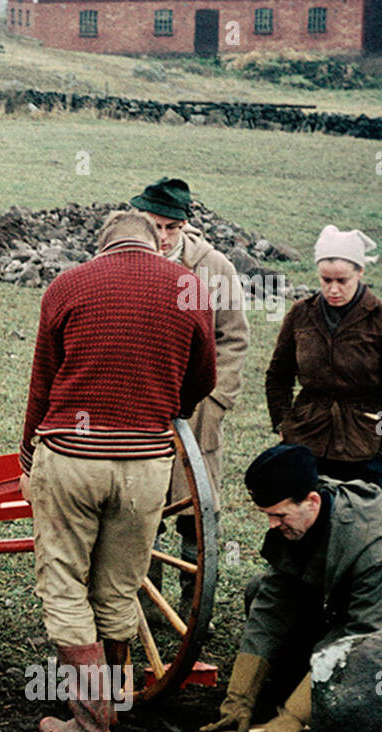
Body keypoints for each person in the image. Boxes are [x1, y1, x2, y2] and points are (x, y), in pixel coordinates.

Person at [20, 210, 216, 732]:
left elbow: (43, 383)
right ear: (158, 243)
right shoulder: (189, 287)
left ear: (102, 246)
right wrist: (159, 406)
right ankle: (115, 700)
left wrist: (25, 457)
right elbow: (204, 378)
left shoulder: (68, 285)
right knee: (119, 589)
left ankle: (91, 722)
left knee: (64, 586)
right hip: (147, 465)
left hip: (71, 458)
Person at [202, 444, 382, 732]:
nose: (272, 524)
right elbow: (271, 607)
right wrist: (238, 699)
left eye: (279, 514)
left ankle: (316, 701)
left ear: (311, 501)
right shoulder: (303, 520)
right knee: (258, 589)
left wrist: (294, 717)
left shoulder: (379, 548)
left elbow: (362, 637)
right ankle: (293, 689)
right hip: (348, 609)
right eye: (268, 515)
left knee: (367, 688)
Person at [130, 178, 249, 601]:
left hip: (195, 409)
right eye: (154, 226)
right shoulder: (127, 261)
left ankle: (195, 600)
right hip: (141, 406)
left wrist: (215, 399)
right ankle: (143, 600)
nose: (162, 238)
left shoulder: (214, 268)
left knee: (196, 508)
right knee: (140, 506)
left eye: (171, 229)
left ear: (183, 227)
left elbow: (233, 338)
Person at [265, 225, 382, 497]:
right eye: (325, 280)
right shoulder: (301, 314)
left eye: (342, 281)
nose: (333, 289)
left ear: (360, 273)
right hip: (306, 442)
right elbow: (278, 376)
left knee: (363, 531)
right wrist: (284, 425)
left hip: (366, 450)